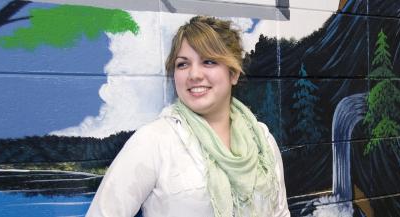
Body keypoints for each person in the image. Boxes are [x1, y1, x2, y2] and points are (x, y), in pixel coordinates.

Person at [86, 16, 290, 217]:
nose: (194, 75)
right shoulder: (154, 141)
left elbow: (280, 213)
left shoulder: (261, 140)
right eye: (182, 64)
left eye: (209, 61)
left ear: (233, 73)